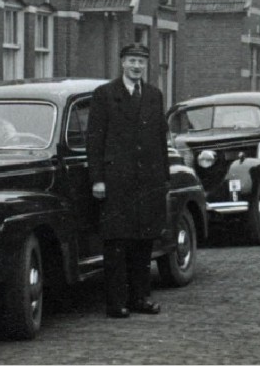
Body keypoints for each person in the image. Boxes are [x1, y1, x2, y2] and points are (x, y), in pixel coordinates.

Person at [86, 43, 170, 319]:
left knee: (143, 241)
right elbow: (95, 140)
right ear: (122, 62)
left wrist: (163, 179)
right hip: (116, 181)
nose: (136, 66)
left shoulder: (155, 96)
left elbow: (160, 139)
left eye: (141, 62)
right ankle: (116, 302)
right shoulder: (105, 94)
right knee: (117, 242)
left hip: (147, 182)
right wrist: (98, 180)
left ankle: (140, 298)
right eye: (132, 61)